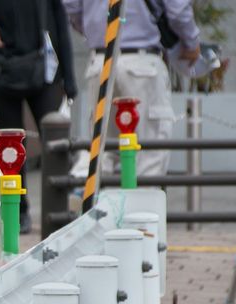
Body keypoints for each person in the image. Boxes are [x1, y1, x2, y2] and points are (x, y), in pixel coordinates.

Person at [0, 0, 78, 234]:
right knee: (12, 148)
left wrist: (69, 78)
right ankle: (19, 211)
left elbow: (61, 27)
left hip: (41, 71)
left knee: (55, 143)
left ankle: (59, 210)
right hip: (4, 73)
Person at [64, 0, 200, 176]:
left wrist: (94, 28)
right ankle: (143, 202)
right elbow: (178, 11)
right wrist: (192, 42)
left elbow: (71, 5)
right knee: (150, 150)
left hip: (100, 60)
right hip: (142, 62)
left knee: (102, 151)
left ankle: (96, 200)